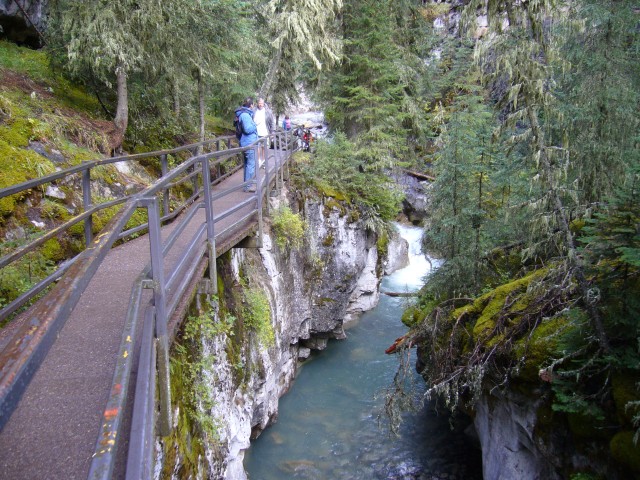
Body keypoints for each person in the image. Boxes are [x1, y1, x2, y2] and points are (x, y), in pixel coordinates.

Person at [235, 97, 258, 191]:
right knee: (251, 164)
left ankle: (246, 185)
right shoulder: (245, 115)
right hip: (249, 143)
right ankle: (248, 186)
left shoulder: (243, 114)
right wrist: (255, 125)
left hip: (245, 142)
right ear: (251, 105)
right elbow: (248, 129)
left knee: (247, 164)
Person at [252, 97, 274, 166]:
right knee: (257, 147)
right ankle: (259, 161)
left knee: (264, 148)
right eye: (259, 103)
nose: (260, 104)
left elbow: (272, 122)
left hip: (265, 132)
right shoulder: (254, 111)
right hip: (256, 133)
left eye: (261, 103)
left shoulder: (268, 111)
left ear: (263, 103)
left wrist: (272, 131)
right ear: (257, 104)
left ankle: (264, 162)